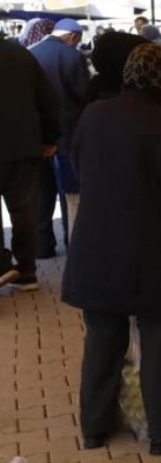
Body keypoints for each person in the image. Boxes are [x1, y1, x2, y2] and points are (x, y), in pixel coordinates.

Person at [63, 43, 161, 456]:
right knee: (159, 341)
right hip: (150, 257)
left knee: (102, 339)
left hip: (97, 251)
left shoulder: (93, 115)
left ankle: (94, 428)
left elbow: (80, 168)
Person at [29, 18, 90, 264]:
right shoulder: (72, 58)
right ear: (73, 37)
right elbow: (84, 96)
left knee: (42, 191)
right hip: (67, 134)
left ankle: (42, 246)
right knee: (70, 193)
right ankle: (72, 242)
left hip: (38, 135)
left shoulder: (31, 53)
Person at [0, 41, 60, 290]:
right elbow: (48, 100)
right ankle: (26, 271)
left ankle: (2, 266)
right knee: (25, 211)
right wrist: (50, 138)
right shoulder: (20, 54)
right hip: (24, 146)